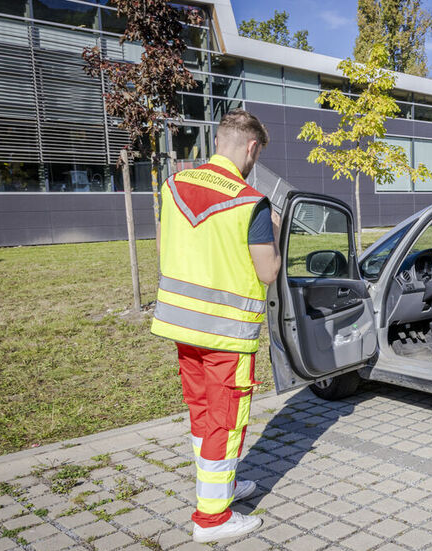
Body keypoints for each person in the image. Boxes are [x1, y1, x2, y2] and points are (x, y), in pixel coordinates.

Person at [150, 109, 280, 543]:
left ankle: (219, 489)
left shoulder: (173, 186)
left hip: (182, 327)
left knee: (203, 413)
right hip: (227, 334)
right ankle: (212, 519)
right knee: (226, 421)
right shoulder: (250, 202)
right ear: (251, 147)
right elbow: (267, 273)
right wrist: (275, 234)